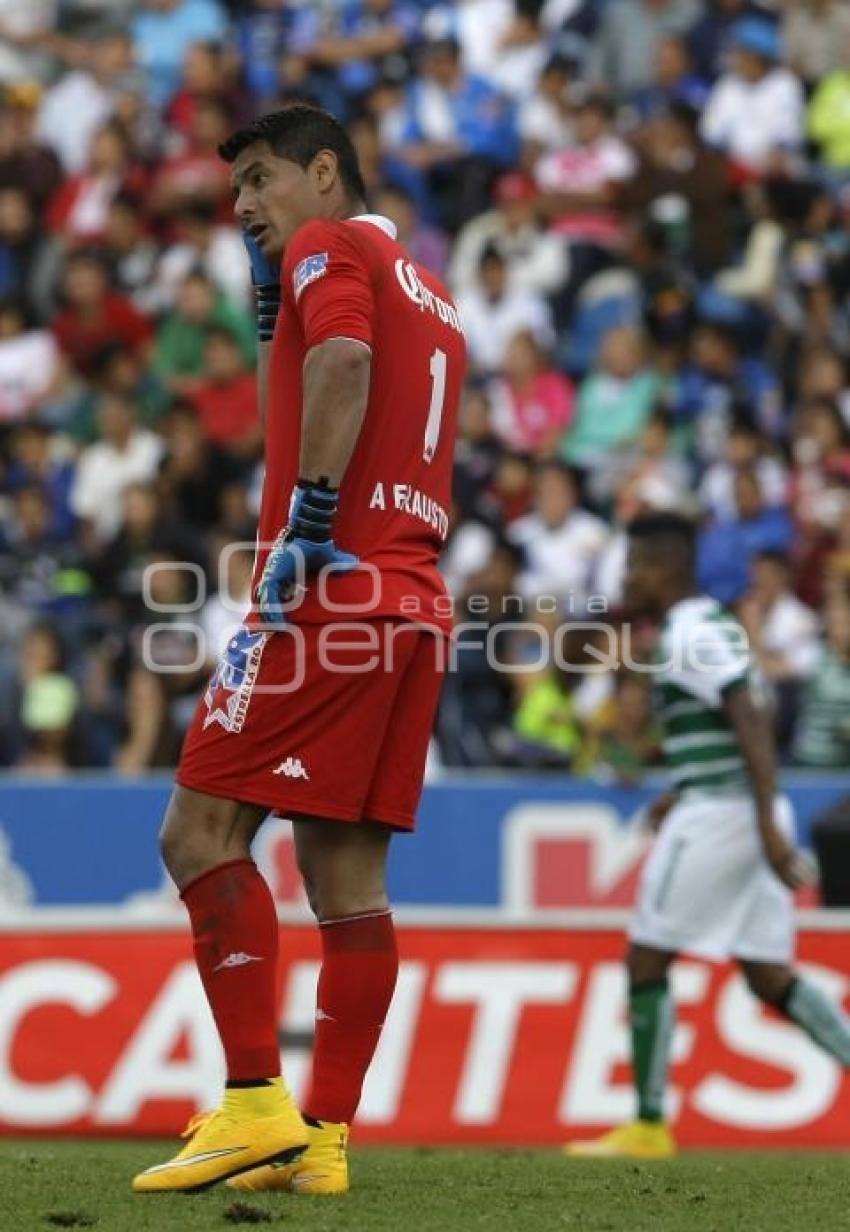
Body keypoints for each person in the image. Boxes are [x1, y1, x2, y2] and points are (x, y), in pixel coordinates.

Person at [132, 103, 465, 1196]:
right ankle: (322, 1138)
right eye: (233, 193)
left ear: (326, 172)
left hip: (329, 591)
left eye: (261, 181)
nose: (244, 206)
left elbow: (341, 370)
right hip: (412, 601)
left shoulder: (328, 247)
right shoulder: (433, 293)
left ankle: (250, 1101)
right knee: (346, 878)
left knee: (197, 827)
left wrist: (309, 523)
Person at [566, 512, 850, 1160]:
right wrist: (684, 786)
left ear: (663, 568)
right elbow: (738, 717)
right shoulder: (700, 628)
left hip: (725, 814)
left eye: (635, 565)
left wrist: (755, 820)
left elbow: (750, 714)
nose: (628, 578)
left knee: (646, 957)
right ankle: (647, 1123)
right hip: (734, 804)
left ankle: (647, 1125)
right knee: (769, 975)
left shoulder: (691, 631)